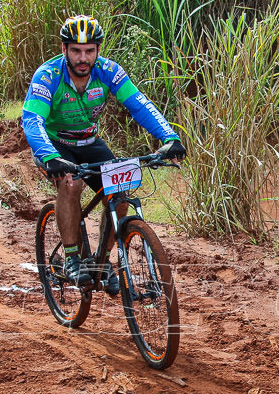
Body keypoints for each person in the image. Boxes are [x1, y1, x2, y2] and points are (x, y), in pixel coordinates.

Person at [21, 15, 186, 295]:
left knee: (120, 191)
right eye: (75, 50)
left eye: (89, 51)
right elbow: (32, 119)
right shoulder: (48, 76)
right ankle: (72, 257)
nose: (82, 58)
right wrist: (48, 156)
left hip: (89, 141)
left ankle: (102, 261)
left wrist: (169, 137)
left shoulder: (108, 70)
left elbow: (139, 104)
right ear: (64, 50)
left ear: (98, 50)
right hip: (54, 145)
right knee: (70, 184)